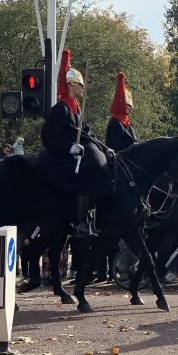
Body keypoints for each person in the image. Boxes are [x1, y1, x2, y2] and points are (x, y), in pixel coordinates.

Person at [39, 66, 114, 235]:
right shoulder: (61, 108)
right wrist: (69, 148)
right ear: (71, 85)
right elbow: (48, 137)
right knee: (93, 164)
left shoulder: (75, 108)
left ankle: (89, 215)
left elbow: (85, 133)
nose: (82, 88)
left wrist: (104, 147)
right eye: (80, 85)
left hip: (74, 156)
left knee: (98, 158)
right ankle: (80, 218)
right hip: (61, 158)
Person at [106, 72, 138, 152]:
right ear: (121, 104)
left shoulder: (129, 124)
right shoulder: (115, 122)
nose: (129, 108)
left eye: (130, 106)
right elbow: (115, 146)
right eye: (127, 105)